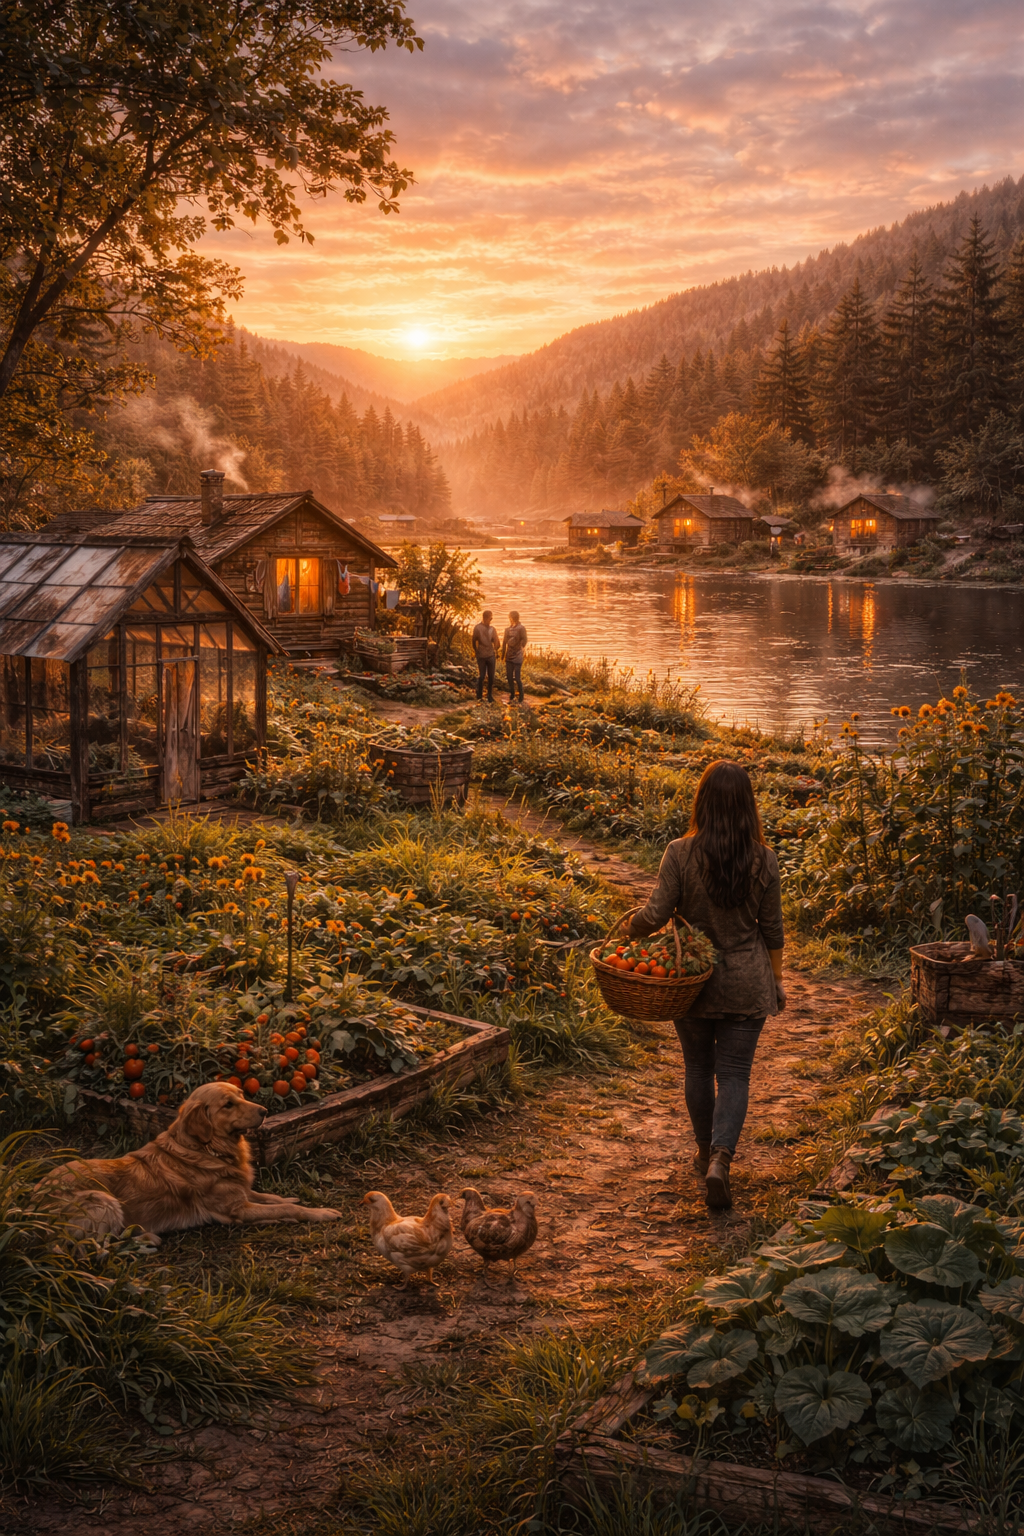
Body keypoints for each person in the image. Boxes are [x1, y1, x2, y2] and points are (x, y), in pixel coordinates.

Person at [625, 760, 785, 1211]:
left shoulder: (680, 851)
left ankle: (701, 1149)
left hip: (691, 981)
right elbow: (772, 930)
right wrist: (776, 981)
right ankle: (721, 1159)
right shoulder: (764, 858)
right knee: (734, 1074)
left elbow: (656, 915)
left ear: (702, 801)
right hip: (747, 982)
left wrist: (627, 932)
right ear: (747, 807)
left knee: (697, 1069)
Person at [472, 609, 499, 703]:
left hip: (491, 655)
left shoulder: (492, 629)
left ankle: (489, 696)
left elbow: (496, 641)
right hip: (482, 655)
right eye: (490, 618)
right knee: (482, 675)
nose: (491, 620)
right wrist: (476, 651)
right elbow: (473, 640)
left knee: (491, 676)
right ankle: (479, 695)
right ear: (486, 618)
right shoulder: (477, 628)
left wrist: (496, 649)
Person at [502, 610, 527, 703]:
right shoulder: (507, 629)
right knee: (509, 677)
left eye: (510, 617)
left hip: (518, 656)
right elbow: (504, 642)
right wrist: (503, 655)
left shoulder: (521, 628)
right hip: (509, 655)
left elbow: (525, 640)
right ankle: (512, 694)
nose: (510, 619)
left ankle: (521, 696)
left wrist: (520, 647)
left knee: (517, 677)